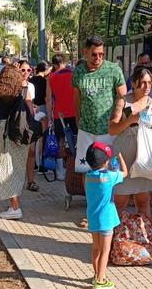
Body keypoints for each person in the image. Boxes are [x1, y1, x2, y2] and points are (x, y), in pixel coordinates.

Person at [73, 35, 126, 228]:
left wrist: (117, 115)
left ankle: (109, 209)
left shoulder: (113, 70)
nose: (98, 58)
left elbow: (122, 95)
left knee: (109, 170)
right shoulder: (78, 72)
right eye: (94, 54)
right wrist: (78, 120)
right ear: (85, 52)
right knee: (87, 170)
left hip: (107, 130)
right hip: (86, 129)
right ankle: (91, 209)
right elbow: (76, 99)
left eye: (102, 54)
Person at [109, 67, 152, 217]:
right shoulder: (123, 102)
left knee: (143, 200)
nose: (147, 87)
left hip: (143, 157)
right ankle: (116, 238)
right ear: (134, 83)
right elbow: (112, 129)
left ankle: (143, 237)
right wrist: (130, 120)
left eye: (149, 83)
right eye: (143, 83)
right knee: (120, 201)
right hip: (123, 155)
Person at [0, 66, 32, 220]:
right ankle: (14, 203)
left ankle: (15, 207)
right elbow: (30, 112)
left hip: (6, 132)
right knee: (17, 167)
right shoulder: (23, 90)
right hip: (21, 132)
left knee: (6, 167)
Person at [84, 142, 128, 289]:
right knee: (105, 250)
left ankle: (96, 274)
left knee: (96, 248)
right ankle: (101, 281)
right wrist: (121, 158)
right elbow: (125, 173)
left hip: (93, 217)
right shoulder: (110, 176)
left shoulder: (88, 177)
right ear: (106, 161)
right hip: (107, 219)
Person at [46, 53, 77, 181]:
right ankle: (75, 168)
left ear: (53, 64)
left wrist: (49, 117)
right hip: (75, 113)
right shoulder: (74, 74)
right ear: (65, 62)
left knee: (60, 141)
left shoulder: (51, 77)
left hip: (59, 114)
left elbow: (48, 99)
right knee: (76, 141)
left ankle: (60, 172)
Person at [19, 60, 40, 192]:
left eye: (28, 70)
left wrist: (33, 109)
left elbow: (30, 103)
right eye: (23, 70)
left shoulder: (31, 86)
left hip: (29, 120)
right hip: (17, 122)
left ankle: (31, 180)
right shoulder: (13, 85)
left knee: (31, 151)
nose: (26, 73)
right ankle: (17, 180)